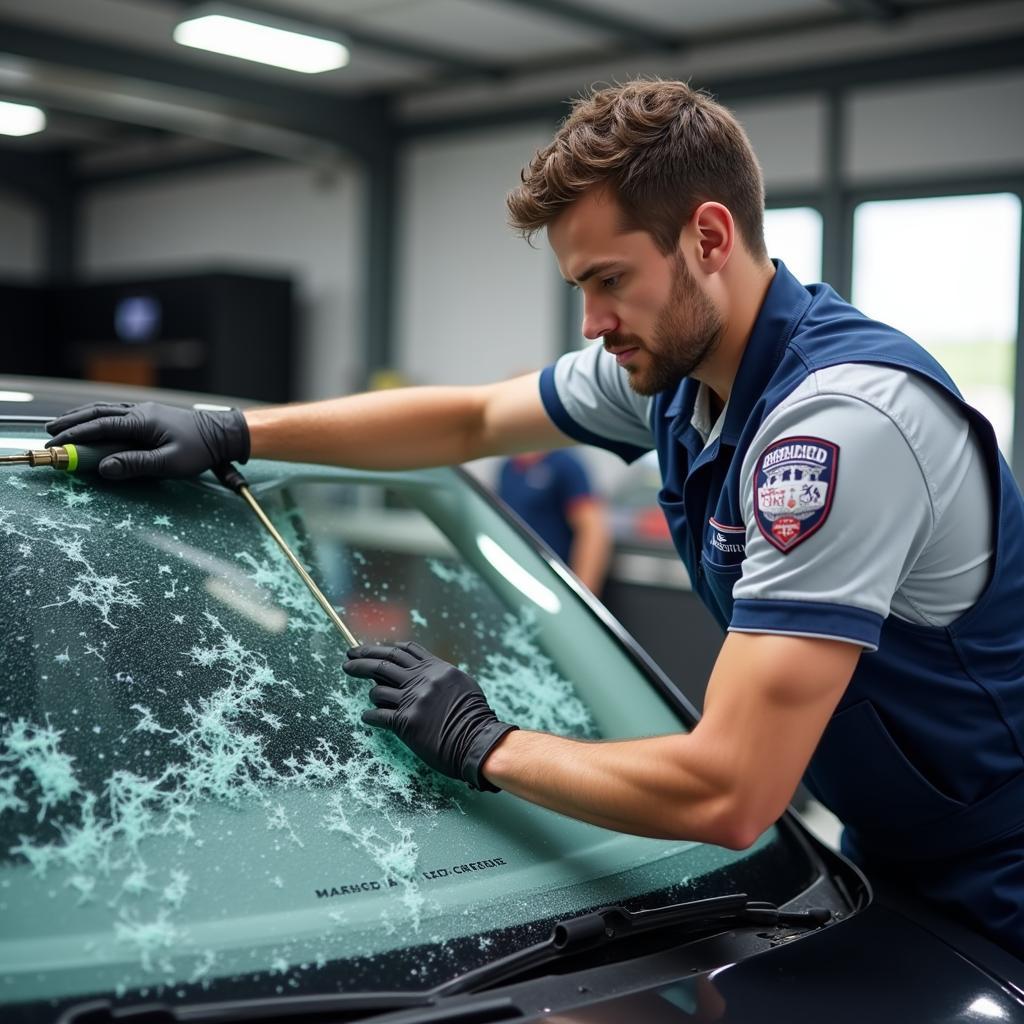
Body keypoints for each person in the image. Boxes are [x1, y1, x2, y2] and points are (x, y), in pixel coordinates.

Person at [45, 79, 1024, 958]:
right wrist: (233, 430)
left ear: (709, 239)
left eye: (609, 280)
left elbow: (730, 793)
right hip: (883, 846)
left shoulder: (836, 427)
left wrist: (482, 740)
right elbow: (471, 415)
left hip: (1000, 878)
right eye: (579, 287)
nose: (592, 324)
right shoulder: (676, 376)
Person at [497, 448, 611, 594]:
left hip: (553, 584)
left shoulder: (565, 465)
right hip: (517, 579)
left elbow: (593, 533)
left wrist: (582, 594)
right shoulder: (508, 468)